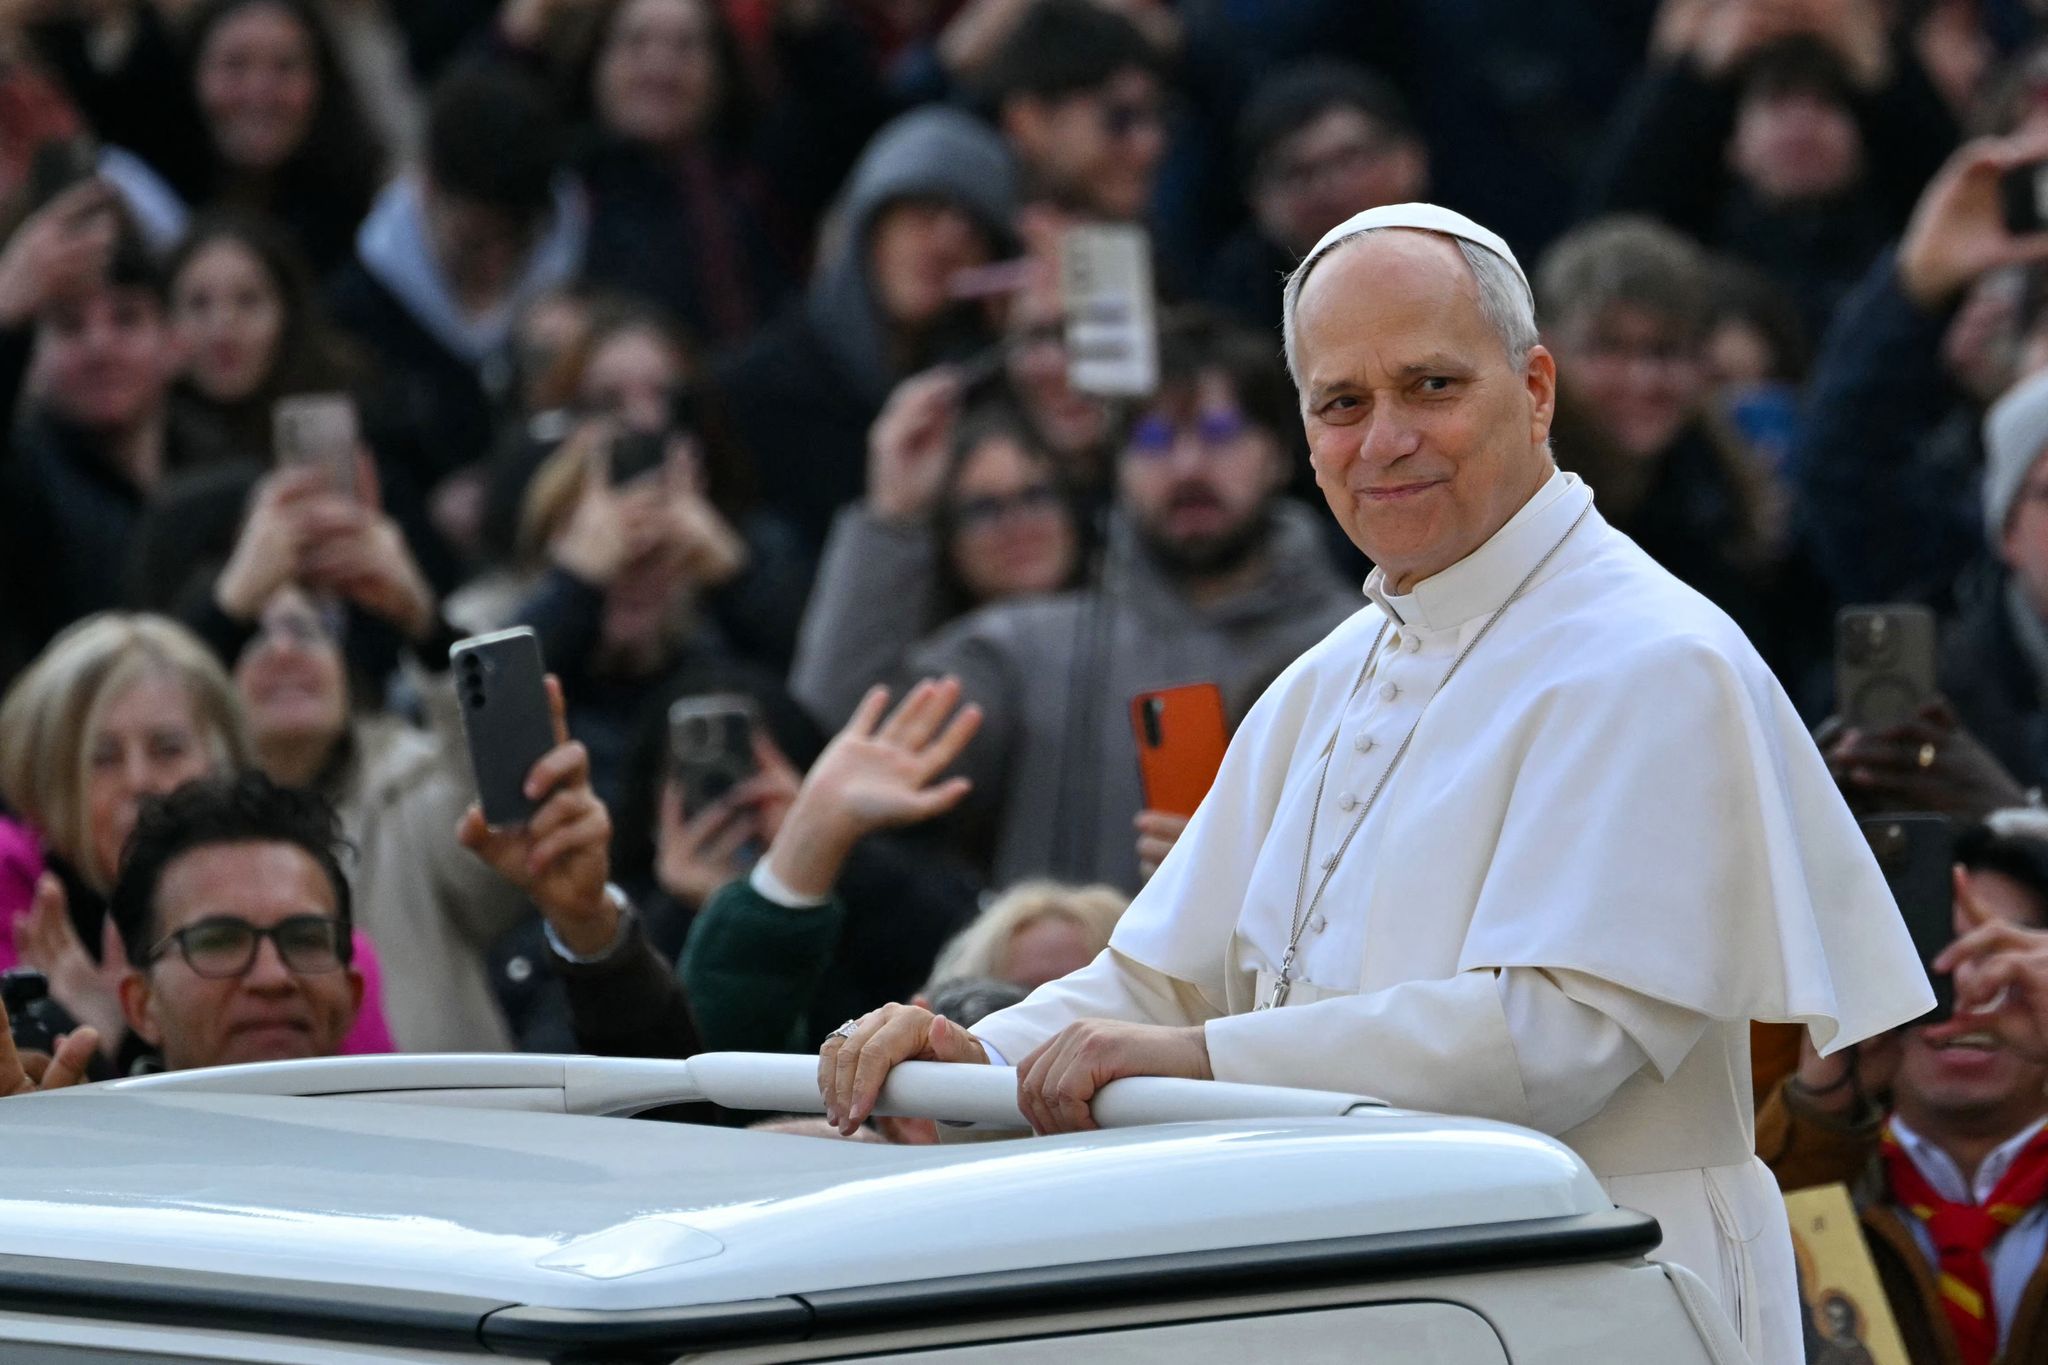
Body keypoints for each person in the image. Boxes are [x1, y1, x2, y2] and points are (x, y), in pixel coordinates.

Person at [818, 201, 1935, 1363]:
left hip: (1600, 1286)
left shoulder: (1655, 657)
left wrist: (1200, 1064)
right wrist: (975, 1060)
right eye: (1340, 404)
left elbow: (1556, 1036)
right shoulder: (1324, 676)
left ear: (1536, 388)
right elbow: (1158, 985)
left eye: (1430, 387)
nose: (1383, 438)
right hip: (1356, 1287)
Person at [898, 308, 1357, 890]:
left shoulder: (1362, 648)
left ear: (1281, 454)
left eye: (1220, 434)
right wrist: (891, 521)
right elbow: (848, 749)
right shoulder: (1023, 648)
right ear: (1115, 465)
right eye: (1153, 438)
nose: (1188, 466)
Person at [0, 612, 393, 1063]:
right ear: (48, 780)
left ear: (223, 759)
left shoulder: (321, 948)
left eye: (168, 749)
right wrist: (75, 1036)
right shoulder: (9, 898)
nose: (140, 781)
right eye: (103, 758)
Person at [536, 677, 982, 1060]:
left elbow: (968, 964)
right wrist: (679, 914)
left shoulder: (886, 892)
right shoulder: (606, 914)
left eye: (757, 774)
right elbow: (589, 1061)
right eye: (702, 782)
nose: (732, 799)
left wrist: (824, 848)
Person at [1761, 815, 2048, 1364]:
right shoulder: (1809, 1164)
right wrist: (1821, 1104)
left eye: (2002, 956)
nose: (1967, 991)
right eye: (1928, 956)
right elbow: (1724, 1277)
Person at [1536, 215, 1827, 699]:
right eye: (1608, 348)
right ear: (1548, 353)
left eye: (1666, 351)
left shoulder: (1737, 510)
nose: (1643, 380)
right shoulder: (1510, 511)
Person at [713, 105, 1015, 557]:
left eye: (974, 228)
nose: (948, 241)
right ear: (866, 225)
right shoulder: (752, 389)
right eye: (923, 210)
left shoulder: (992, 398)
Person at [328, 64, 586, 511]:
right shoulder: (358, 309)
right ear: (426, 189)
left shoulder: (588, 270)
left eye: (518, 242)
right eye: (474, 242)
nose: (497, 262)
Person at [791, 379, 1086, 729]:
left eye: (1036, 496)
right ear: (948, 539)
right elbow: (830, 712)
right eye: (984, 509)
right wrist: (894, 512)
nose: (1018, 524)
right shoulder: (940, 673)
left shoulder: (1130, 628)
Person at [1207, 61, 1429, 335]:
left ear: (1409, 158)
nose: (1331, 190)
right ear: (1259, 201)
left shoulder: (1478, 261)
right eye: (1299, 174)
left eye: (1350, 160)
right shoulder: (1236, 313)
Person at [972, 0, 1166, 225]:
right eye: (1119, 118)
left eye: (1160, 115)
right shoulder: (957, 250)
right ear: (1029, 121)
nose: (1152, 143)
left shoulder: (1163, 248)